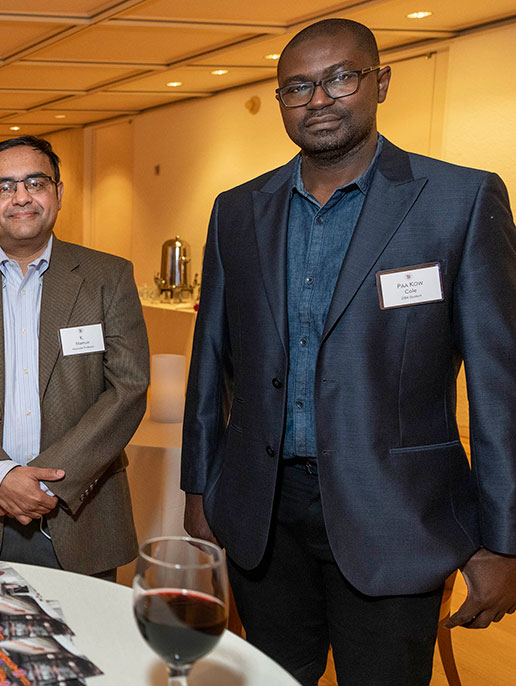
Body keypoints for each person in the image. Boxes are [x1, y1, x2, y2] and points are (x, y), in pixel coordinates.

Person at [182, 18, 516, 686]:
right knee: (271, 678)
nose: (319, 98)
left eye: (340, 77)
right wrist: (200, 488)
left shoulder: (459, 200)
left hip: (397, 516)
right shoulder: (238, 211)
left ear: (380, 82)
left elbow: (500, 387)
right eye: (297, 87)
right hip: (262, 515)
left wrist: (502, 538)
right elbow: (210, 362)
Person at [0, 136, 149, 577]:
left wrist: (46, 483)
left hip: (82, 515)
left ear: (58, 193)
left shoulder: (107, 277)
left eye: (35, 182)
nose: (21, 196)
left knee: (89, 645)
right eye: (4, 187)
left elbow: (127, 388)